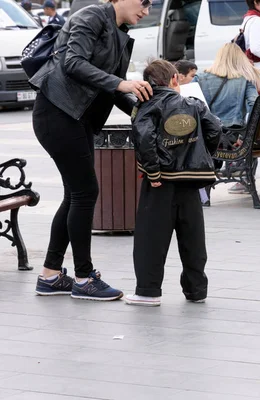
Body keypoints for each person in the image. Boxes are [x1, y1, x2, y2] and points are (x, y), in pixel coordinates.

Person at [30, 0, 154, 300]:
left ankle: (50, 275)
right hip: (57, 113)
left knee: (76, 194)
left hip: (77, 117)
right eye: (145, 2)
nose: (147, 10)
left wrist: (146, 112)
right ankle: (84, 278)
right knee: (85, 192)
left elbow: (112, 89)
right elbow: (73, 62)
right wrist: (122, 83)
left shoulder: (120, 30)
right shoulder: (91, 16)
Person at [125, 60, 221, 306]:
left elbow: (144, 138)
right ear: (174, 79)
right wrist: (201, 158)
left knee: (151, 236)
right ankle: (196, 290)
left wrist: (154, 172)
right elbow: (215, 129)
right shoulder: (194, 105)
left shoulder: (146, 106)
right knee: (193, 236)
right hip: (191, 180)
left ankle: (148, 291)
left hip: (161, 182)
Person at [196, 42, 260, 194]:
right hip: (234, 138)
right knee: (248, 144)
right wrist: (245, 134)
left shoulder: (200, 78)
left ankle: (203, 191)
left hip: (209, 136)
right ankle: (244, 180)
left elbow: (192, 102)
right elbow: (255, 105)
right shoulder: (245, 79)